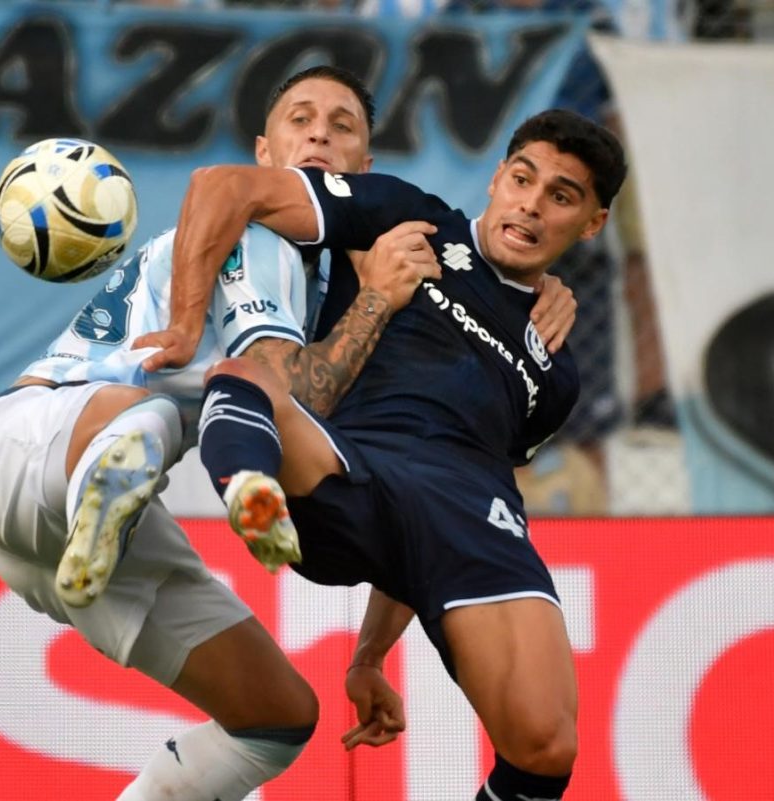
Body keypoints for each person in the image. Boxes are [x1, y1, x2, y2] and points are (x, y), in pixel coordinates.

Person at [0, 66, 578, 800]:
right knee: (155, 412)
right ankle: (120, 458)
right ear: (264, 152)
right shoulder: (266, 240)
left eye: (343, 126)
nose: (320, 132)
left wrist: (523, 299)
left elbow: (425, 499)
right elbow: (289, 384)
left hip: (79, 538)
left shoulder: (348, 293)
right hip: (35, 444)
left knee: (274, 718)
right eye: (301, 118)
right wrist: (196, 321)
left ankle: (119, 477)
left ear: (364, 172)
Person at [148, 107, 627, 800]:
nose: (530, 203)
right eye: (522, 178)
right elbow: (225, 185)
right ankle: (252, 487)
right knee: (249, 379)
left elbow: (422, 538)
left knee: (546, 746)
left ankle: (257, 481)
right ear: (495, 179)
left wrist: (370, 654)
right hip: (351, 471)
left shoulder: (555, 373)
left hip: (469, 510)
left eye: (561, 195)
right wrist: (186, 322)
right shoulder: (409, 218)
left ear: (591, 224)